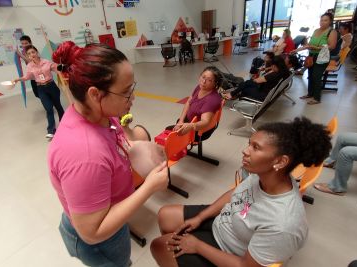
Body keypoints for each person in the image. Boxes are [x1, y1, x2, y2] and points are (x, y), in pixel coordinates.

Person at [151, 117, 332, 267]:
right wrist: (201, 217)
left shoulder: (284, 223)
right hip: (229, 222)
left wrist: (197, 246)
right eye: (249, 144)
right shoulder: (265, 174)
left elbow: (245, 265)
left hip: (232, 252)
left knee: (159, 246)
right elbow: (235, 193)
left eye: (256, 147)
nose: (245, 151)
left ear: (280, 161)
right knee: (165, 215)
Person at [48, 41, 168, 267]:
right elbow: (92, 233)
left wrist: (136, 149)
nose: (132, 98)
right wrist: (150, 187)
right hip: (99, 241)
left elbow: (114, 142)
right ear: (95, 94)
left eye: (132, 88)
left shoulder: (100, 114)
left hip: (109, 215)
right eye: (125, 92)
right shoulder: (84, 155)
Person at [12, 45, 65, 139]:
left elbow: (57, 69)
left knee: (58, 106)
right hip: (41, 89)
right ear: (28, 56)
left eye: (33, 52)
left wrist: (61, 67)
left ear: (37, 52)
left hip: (51, 86)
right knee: (48, 109)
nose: (31, 54)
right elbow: (27, 77)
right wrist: (17, 79)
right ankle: (51, 130)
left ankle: (64, 123)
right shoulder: (29, 66)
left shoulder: (46, 62)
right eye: (29, 54)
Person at [292, 13, 337, 105]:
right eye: (321, 20)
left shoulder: (332, 32)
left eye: (325, 20)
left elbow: (332, 46)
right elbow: (308, 45)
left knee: (316, 76)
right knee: (310, 76)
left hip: (322, 57)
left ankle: (317, 98)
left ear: (330, 21)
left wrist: (316, 48)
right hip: (311, 56)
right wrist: (296, 50)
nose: (322, 22)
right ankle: (310, 93)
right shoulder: (316, 30)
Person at [168, 66, 223, 141]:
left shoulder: (212, 99)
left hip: (199, 131)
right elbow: (189, 102)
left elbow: (205, 122)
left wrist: (191, 126)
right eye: (203, 77)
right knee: (176, 124)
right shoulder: (200, 87)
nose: (203, 82)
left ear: (215, 83)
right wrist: (181, 120)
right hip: (190, 122)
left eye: (209, 80)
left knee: (168, 134)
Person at [225, 55, 290, 102]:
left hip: (264, 94)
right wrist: (271, 69)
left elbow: (257, 80)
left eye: (272, 65)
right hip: (270, 91)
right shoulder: (285, 71)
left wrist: (270, 71)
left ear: (274, 65)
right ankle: (233, 94)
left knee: (245, 86)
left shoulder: (274, 74)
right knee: (247, 83)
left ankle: (234, 96)